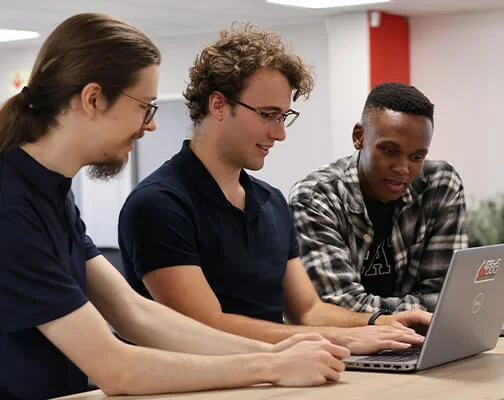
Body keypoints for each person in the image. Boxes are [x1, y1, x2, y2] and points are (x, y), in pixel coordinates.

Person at [0, 14, 352, 400]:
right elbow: (115, 368)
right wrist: (271, 366)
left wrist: (275, 352)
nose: (150, 125)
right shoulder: (10, 205)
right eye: (145, 107)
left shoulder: (51, 193)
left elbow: (134, 312)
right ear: (93, 99)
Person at [118, 23, 429, 358]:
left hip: (275, 376)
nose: (279, 134)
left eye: (283, 117)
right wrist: (339, 339)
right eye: (268, 115)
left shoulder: (271, 202)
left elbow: (308, 310)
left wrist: (378, 322)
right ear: (219, 105)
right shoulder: (158, 205)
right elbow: (205, 325)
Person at [289, 82, 468, 314]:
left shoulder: (440, 185)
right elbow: (338, 307)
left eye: (416, 156)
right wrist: (424, 311)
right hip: (345, 346)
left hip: (417, 342)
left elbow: (447, 296)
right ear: (359, 136)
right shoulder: (317, 197)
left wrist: (434, 310)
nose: (403, 168)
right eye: (389, 151)